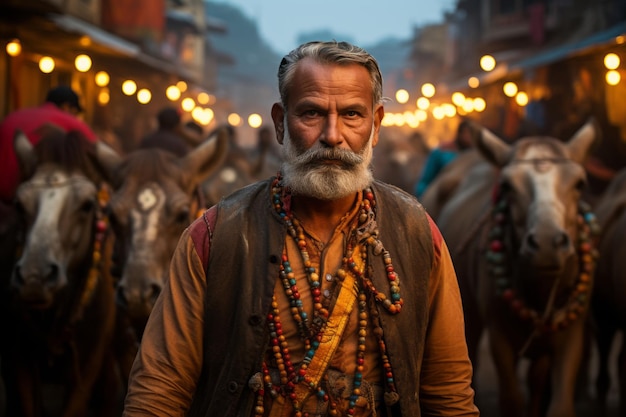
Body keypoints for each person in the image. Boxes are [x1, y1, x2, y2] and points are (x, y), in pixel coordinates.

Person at [123, 41, 479, 417]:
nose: (332, 135)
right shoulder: (215, 235)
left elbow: (448, 390)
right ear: (280, 122)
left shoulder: (416, 232)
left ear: (376, 125)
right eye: (311, 113)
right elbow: (160, 388)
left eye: (352, 115)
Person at [0, 85, 98, 203]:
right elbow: (96, 153)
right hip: (27, 201)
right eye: (75, 112)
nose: (76, 117)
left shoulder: (13, 116)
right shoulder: (72, 124)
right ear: (66, 107)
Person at [414, 119, 475, 198]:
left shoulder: (477, 156)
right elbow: (426, 179)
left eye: (471, 134)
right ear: (459, 133)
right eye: (466, 133)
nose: (468, 137)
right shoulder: (442, 152)